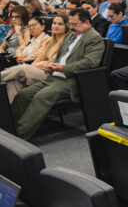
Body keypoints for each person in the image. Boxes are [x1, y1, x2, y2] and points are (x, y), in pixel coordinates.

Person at [11, 8, 104, 139]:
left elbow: (89, 63)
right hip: (54, 77)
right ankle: (10, 127)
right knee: (23, 95)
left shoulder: (94, 38)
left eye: (74, 24)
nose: (71, 27)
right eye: (70, 24)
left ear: (87, 23)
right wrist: (51, 65)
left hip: (70, 80)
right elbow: (60, 56)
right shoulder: (70, 35)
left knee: (41, 97)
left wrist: (62, 68)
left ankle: (20, 134)